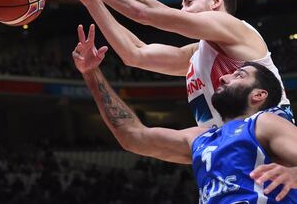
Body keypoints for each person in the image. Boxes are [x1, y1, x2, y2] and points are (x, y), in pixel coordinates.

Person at [53, 0, 294, 128]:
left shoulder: (234, 28)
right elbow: (135, 53)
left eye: (189, 1)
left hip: (271, 146)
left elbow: (144, 12)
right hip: (230, 152)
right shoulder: (197, 54)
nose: (183, 11)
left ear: (216, 1)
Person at [72, 24, 297, 203]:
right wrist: (91, 73)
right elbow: (133, 136)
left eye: (239, 76)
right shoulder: (202, 138)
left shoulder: (265, 123)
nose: (224, 77)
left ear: (258, 95)